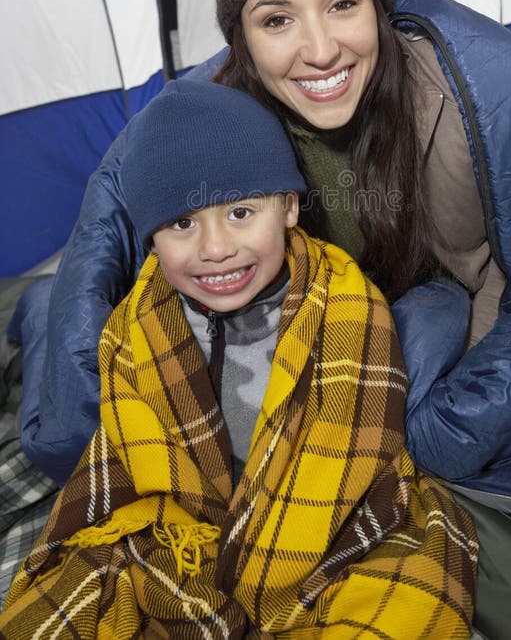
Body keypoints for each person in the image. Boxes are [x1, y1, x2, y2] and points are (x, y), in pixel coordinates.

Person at [10, 0, 511, 636]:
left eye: (344, 4)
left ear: (377, 7)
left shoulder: (482, 86)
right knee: (81, 354)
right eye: (277, 19)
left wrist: (432, 431)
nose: (320, 50)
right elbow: (105, 232)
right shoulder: (212, 105)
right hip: (309, 309)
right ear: (242, 40)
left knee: (429, 336)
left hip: (442, 311)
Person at [0, 80, 477, 638]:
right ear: (150, 239)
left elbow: (359, 439)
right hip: (192, 521)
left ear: (289, 208)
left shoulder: (344, 303)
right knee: (78, 587)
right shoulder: (140, 322)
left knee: (414, 585)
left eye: (241, 213)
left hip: (322, 515)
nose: (215, 248)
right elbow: (132, 446)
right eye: (182, 224)